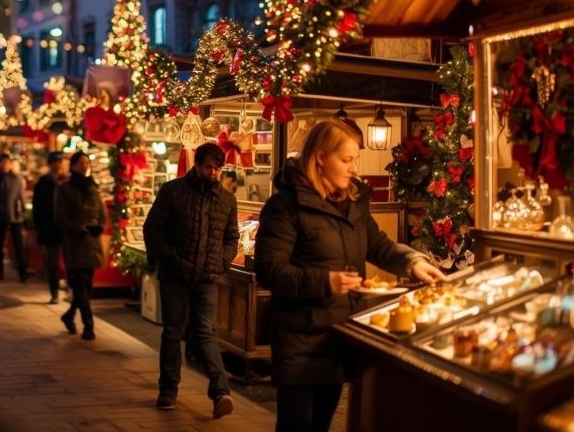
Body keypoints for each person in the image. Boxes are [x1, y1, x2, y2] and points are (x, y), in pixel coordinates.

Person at [255, 119, 446, 431]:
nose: (354, 168)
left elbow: (379, 246)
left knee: (322, 423)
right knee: (296, 425)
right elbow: (269, 270)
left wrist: (411, 261)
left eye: (355, 159)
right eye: (346, 160)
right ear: (320, 157)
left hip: (339, 334)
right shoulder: (285, 206)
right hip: (301, 339)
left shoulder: (353, 204)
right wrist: (325, 281)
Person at [144, 142, 239, 419]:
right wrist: (169, 259)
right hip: (175, 275)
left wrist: (222, 261)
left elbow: (231, 238)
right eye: (208, 167)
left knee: (205, 331)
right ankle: (168, 390)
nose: (213, 172)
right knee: (173, 332)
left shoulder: (226, 200)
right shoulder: (173, 191)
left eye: (218, 168)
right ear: (197, 165)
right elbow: (153, 228)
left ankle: (221, 391)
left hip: (207, 275)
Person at [54, 152, 107, 341]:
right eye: (81, 162)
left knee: (86, 288)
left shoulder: (93, 187)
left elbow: (102, 213)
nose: (85, 165)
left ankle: (68, 316)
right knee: (81, 287)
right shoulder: (64, 188)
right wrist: (79, 229)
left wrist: (99, 226)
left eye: (87, 161)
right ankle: (89, 326)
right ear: (73, 166)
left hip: (92, 244)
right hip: (75, 245)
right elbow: (60, 217)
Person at [0, 153, 28, 282]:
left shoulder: (17, 179)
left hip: (15, 216)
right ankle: (0, 270)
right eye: (2, 163)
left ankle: (22, 272)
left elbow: (21, 197)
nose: (5, 165)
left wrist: (23, 211)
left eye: (7, 163)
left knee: (19, 245)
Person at [32, 151, 68, 303]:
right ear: (50, 164)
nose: (57, 164)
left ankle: (69, 289)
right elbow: (37, 207)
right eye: (54, 162)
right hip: (50, 227)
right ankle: (54, 292)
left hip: (67, 228)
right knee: (53, 263)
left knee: (69, 261)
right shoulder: (43, 182)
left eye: (59, 161)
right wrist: (38, 227)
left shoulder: (68, 181)